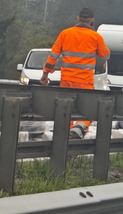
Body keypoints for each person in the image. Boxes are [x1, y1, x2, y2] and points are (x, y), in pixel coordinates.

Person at [40, 7, 110, 139]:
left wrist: (45, 74)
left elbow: (53, 56)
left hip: (66, 81)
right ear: (92, 21)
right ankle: (80, 127)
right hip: (85, 82)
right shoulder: (96, 37)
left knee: (66, 109)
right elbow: (106, 56)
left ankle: (66, 136)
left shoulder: (65, 34)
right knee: (90, 109)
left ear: (78, 19)